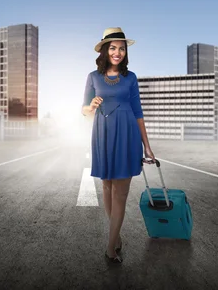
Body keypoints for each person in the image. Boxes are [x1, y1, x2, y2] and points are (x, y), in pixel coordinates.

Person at [81, 27, 156, 264]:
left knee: (120, 193)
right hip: (102, 135)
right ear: (105, 50)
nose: (118, 52)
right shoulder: (93, 77)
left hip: (127, 135)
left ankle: (110, 248)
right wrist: (91, 106)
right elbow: (83, 109)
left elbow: (138, 112)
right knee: (106, 187)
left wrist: (147, 146)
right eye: (113, 48)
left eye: (121, 48)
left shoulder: (130, 77)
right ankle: (117, 235)